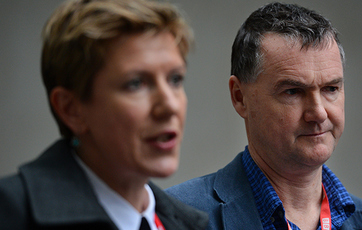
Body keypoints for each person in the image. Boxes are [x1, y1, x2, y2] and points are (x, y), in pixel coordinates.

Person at [166, 2, 362, 230]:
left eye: (331, 89)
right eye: (293, 91)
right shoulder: (175, 217)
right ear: (239, 97)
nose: (318, 112)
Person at [0, 0, 208, 229]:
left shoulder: (192, 223)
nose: (170, 106)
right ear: (71, 109)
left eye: (175, 79)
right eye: (136, 83)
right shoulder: (12, 213)